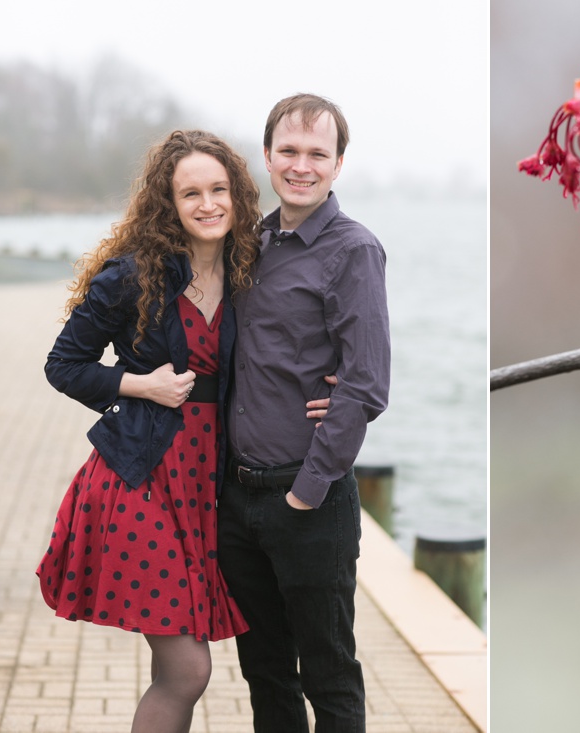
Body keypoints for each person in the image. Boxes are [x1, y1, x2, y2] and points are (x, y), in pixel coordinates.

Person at [36, 129, 262, 733]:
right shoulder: (133, 276)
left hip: (205, 487)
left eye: (219, 189)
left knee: (184, 673)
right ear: (170, 203)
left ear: (238, 196)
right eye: (191, 193)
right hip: (138, 477)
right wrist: (140, 384)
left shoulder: (249, 273)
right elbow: (64, 365)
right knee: (187, 671)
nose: (208, 204)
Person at [218, 93, 391, 732]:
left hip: (308, 502)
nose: (301, 165)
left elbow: (367, 383)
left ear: (338, 164)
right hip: (238, 502)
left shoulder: (353, 251)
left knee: (329, 676)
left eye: (317, 153)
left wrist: (305, 493)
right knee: (265, 673)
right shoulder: (249, 242)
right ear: (267, 156)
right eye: (288, 151)